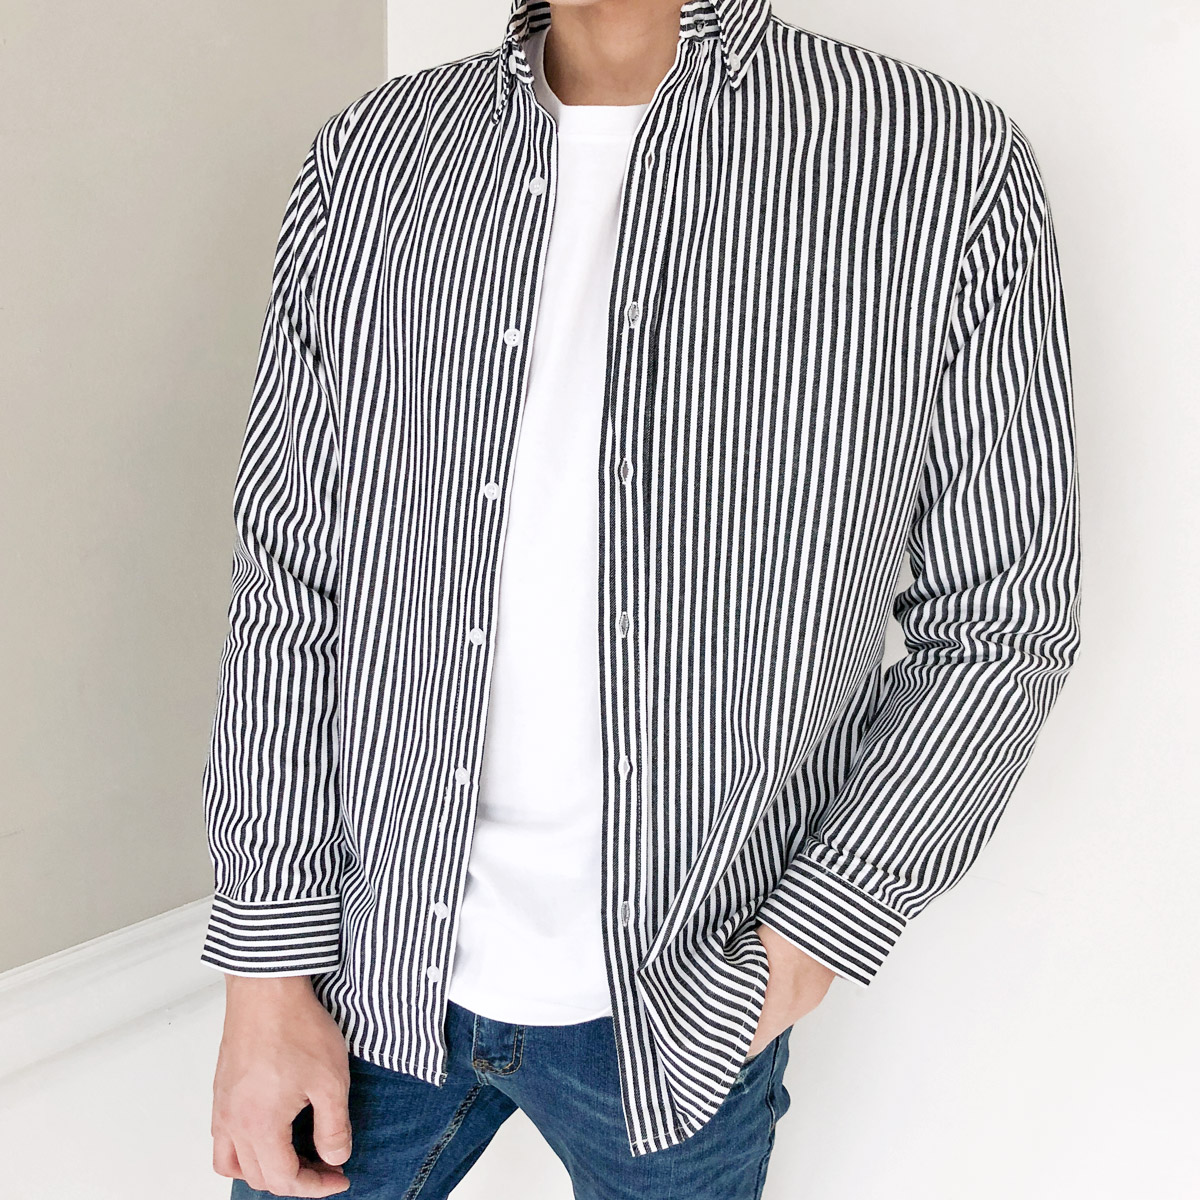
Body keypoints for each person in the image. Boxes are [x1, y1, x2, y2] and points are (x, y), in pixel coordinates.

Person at [200, 0, 1082, 1196]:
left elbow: (1005, 613)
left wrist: (813, 935)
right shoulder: (374, 155)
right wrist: (265, 972)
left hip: (683, 1011)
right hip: (370, 971)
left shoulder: (941, 163)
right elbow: (291, 573)